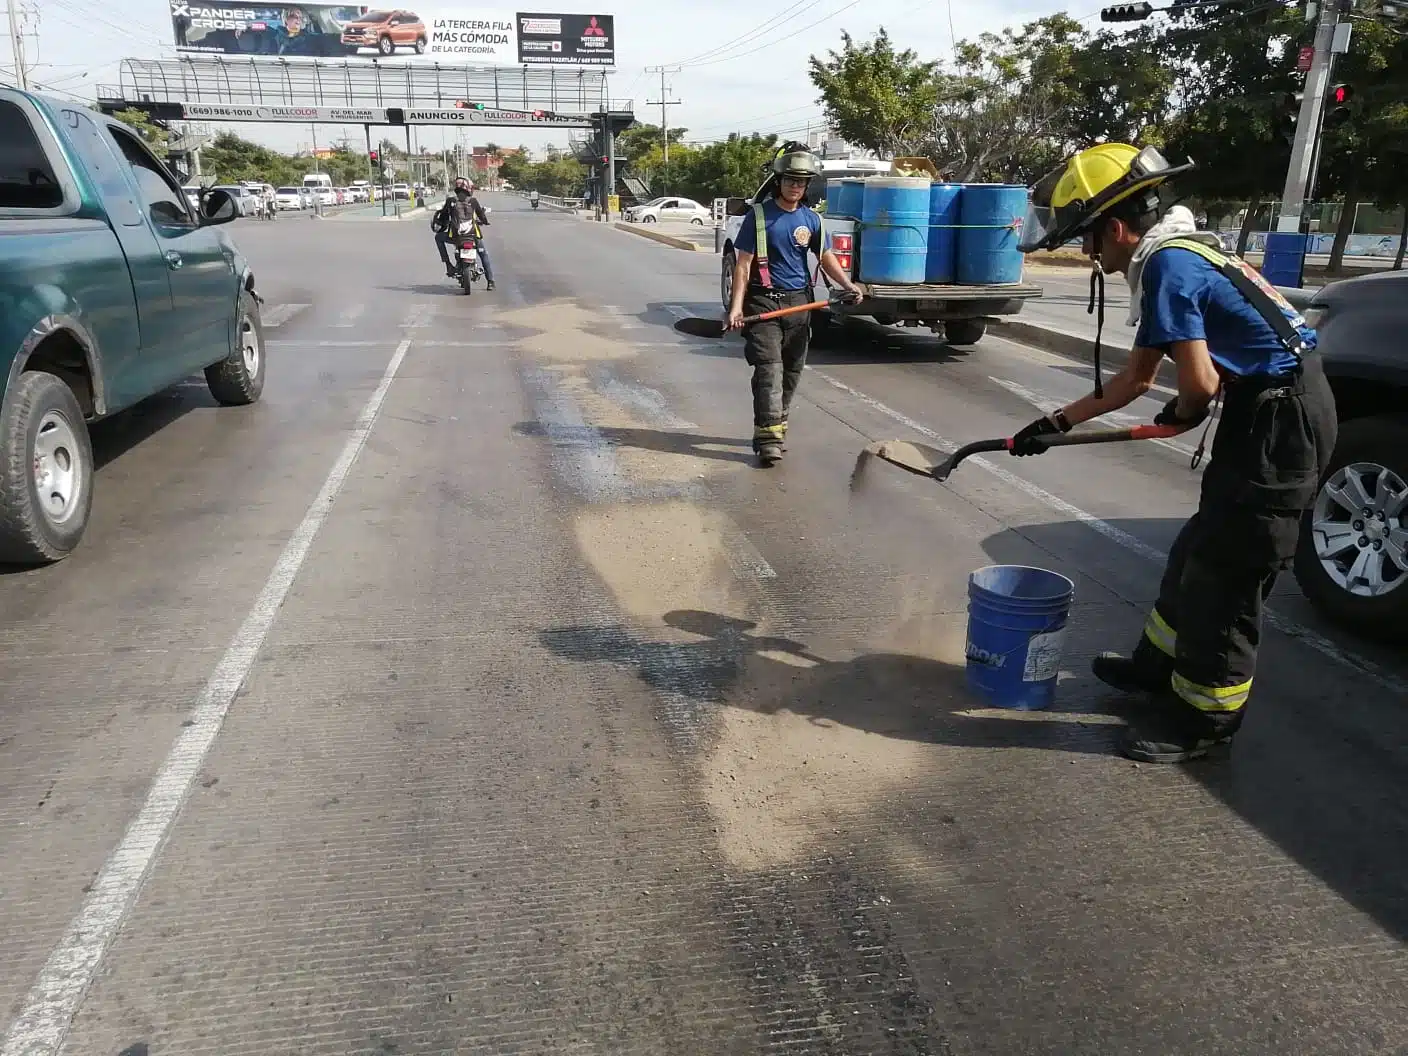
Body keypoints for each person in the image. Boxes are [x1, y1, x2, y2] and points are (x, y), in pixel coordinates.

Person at [1011, 143, 1337, 764]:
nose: (1086, 255)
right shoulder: (1182, 252)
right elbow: (1135, 381)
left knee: (1226, 580)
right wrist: (1050, 423)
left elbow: (1199, 388)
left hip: (1281, 420)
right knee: (1197, 551)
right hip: (1265, 411)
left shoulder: (1167, 267)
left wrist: (1185, 412)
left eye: (1087, 240)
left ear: (1116, 227)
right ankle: (1155, 668)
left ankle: (1205, 722)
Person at [725, 143, 862, 465]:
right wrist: (736, 308)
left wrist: (846, 284)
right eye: (790, 181)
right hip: (763, 304)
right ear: (779, 181)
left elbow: (825, 258)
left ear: (807, 185)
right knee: (769, 371)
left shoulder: (812, 220)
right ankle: (768, 437)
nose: (795, 187)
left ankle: (777, 423)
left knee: (791, 373)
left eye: (801, 182)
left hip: (799, 304)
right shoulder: (758, 217)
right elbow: (743, 265)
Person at [432, 177, 495, 290]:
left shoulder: (451, 201)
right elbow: (482, 216)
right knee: (483, 255)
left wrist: (441, 223)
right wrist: (485, 222)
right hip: (473, 236)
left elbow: (444, 218)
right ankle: (490, 281)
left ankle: (448, 264)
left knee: (438, 237)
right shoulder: (473, 201)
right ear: (468, 189)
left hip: (456, 237)